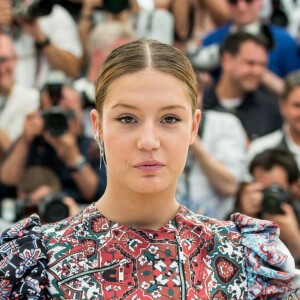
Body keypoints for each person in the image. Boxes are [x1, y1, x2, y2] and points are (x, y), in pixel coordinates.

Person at [0, 39, 299, 299]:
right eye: (127, 119)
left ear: (194, 127)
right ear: (97, 126)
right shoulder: (37, 261)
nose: (148, 141)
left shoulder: (246, 259)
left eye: (169, 119)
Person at [0, 82, 106, 203]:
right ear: (40, 113)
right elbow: (5, 187)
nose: (60, 121)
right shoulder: (31, 142)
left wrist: (73, 157)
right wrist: (25, 141)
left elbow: (100, 195)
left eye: (68, 113)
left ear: (80, 111)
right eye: (53, 114)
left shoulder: (94, 147)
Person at [189, 0, 300, 96]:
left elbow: (295, 92)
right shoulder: (211, 39)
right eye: (233, 1)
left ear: (261, 2)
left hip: (269, 112)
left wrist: (256, 71)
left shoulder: (284, 40)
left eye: (249, 0)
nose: (241, 7)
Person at [203, 32, 282, 141]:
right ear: (227, 60)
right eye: (250, 63)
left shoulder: (271, 111)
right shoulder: (199, 102)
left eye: (262, 65)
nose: (257, 72)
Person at [236, 148, 300, 266]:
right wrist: (246, 220)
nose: (270, 198)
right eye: (263, 190)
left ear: (293, 188)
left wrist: (296, 241)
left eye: (276, 190)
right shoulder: (238, 218)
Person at [0, 0, 82, 88]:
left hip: (46, 95)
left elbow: (73, 69)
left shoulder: (52, 14)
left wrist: (40, 36)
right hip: (6, 97)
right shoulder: (3, 13)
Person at [0, 32, 39, 143]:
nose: (1, 69)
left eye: (4, 60)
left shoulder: (30, 98)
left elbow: (13, 151)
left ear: (15, 59)